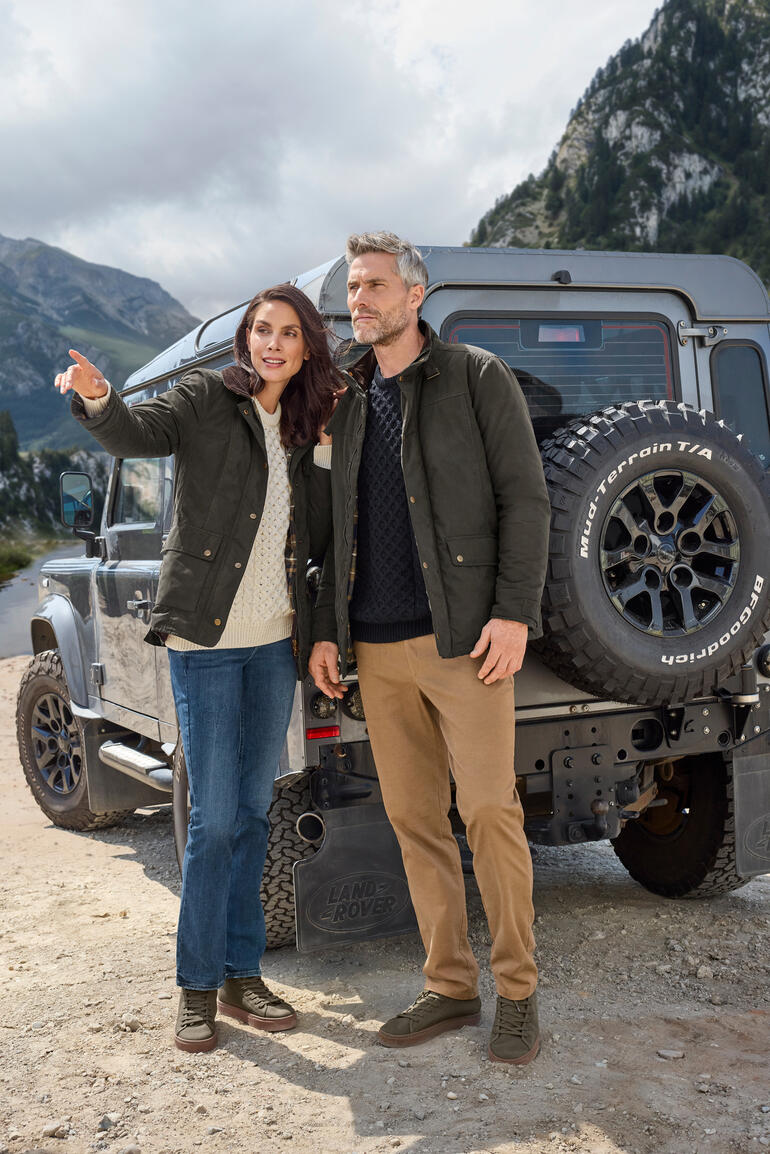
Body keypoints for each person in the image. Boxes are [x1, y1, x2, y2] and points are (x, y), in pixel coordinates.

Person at [55, 284, 338, 1052]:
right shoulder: (205, 399)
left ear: (307, 345)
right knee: (212, 821)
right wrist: (99, 397)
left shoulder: (312, 426)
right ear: (245, 340)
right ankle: (197, 986)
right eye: (260, 331)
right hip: (206, 648)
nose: (271, 344)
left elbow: (324, 535)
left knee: (252, 813)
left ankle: (244, 975)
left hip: (275, 645)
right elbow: (135, 433)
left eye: (286, 333)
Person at [309, 232, 550, 1065]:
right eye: (353, 287)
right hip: (374, 651)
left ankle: (516, 993)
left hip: (463, 643)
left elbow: (526, 498)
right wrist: (325, 634)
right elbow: (327, 527)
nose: (360, 299)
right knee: (415, 820)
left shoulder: (476, 377)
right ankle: (450, 985)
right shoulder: (341, 394)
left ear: (416, 295)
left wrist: (513, 612)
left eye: (375, 285)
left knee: (488, 811)